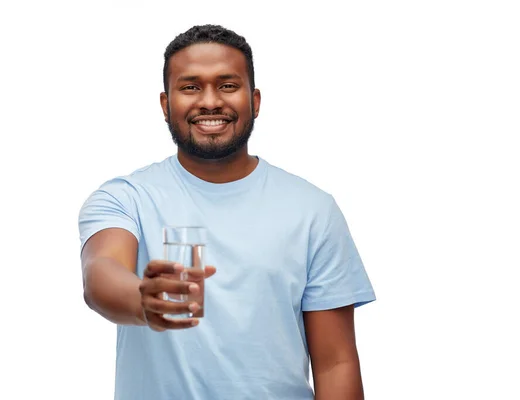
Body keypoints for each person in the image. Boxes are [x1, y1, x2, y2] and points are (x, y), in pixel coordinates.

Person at [78, 24, 376, 400]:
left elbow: (336, 363)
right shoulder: (126, 198)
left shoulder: (313, 210)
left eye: (227, 85)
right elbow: (100, 275)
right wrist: (142, 298)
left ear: (255, 101)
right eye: (190, 87)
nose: (209, 101)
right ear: (165, 104)